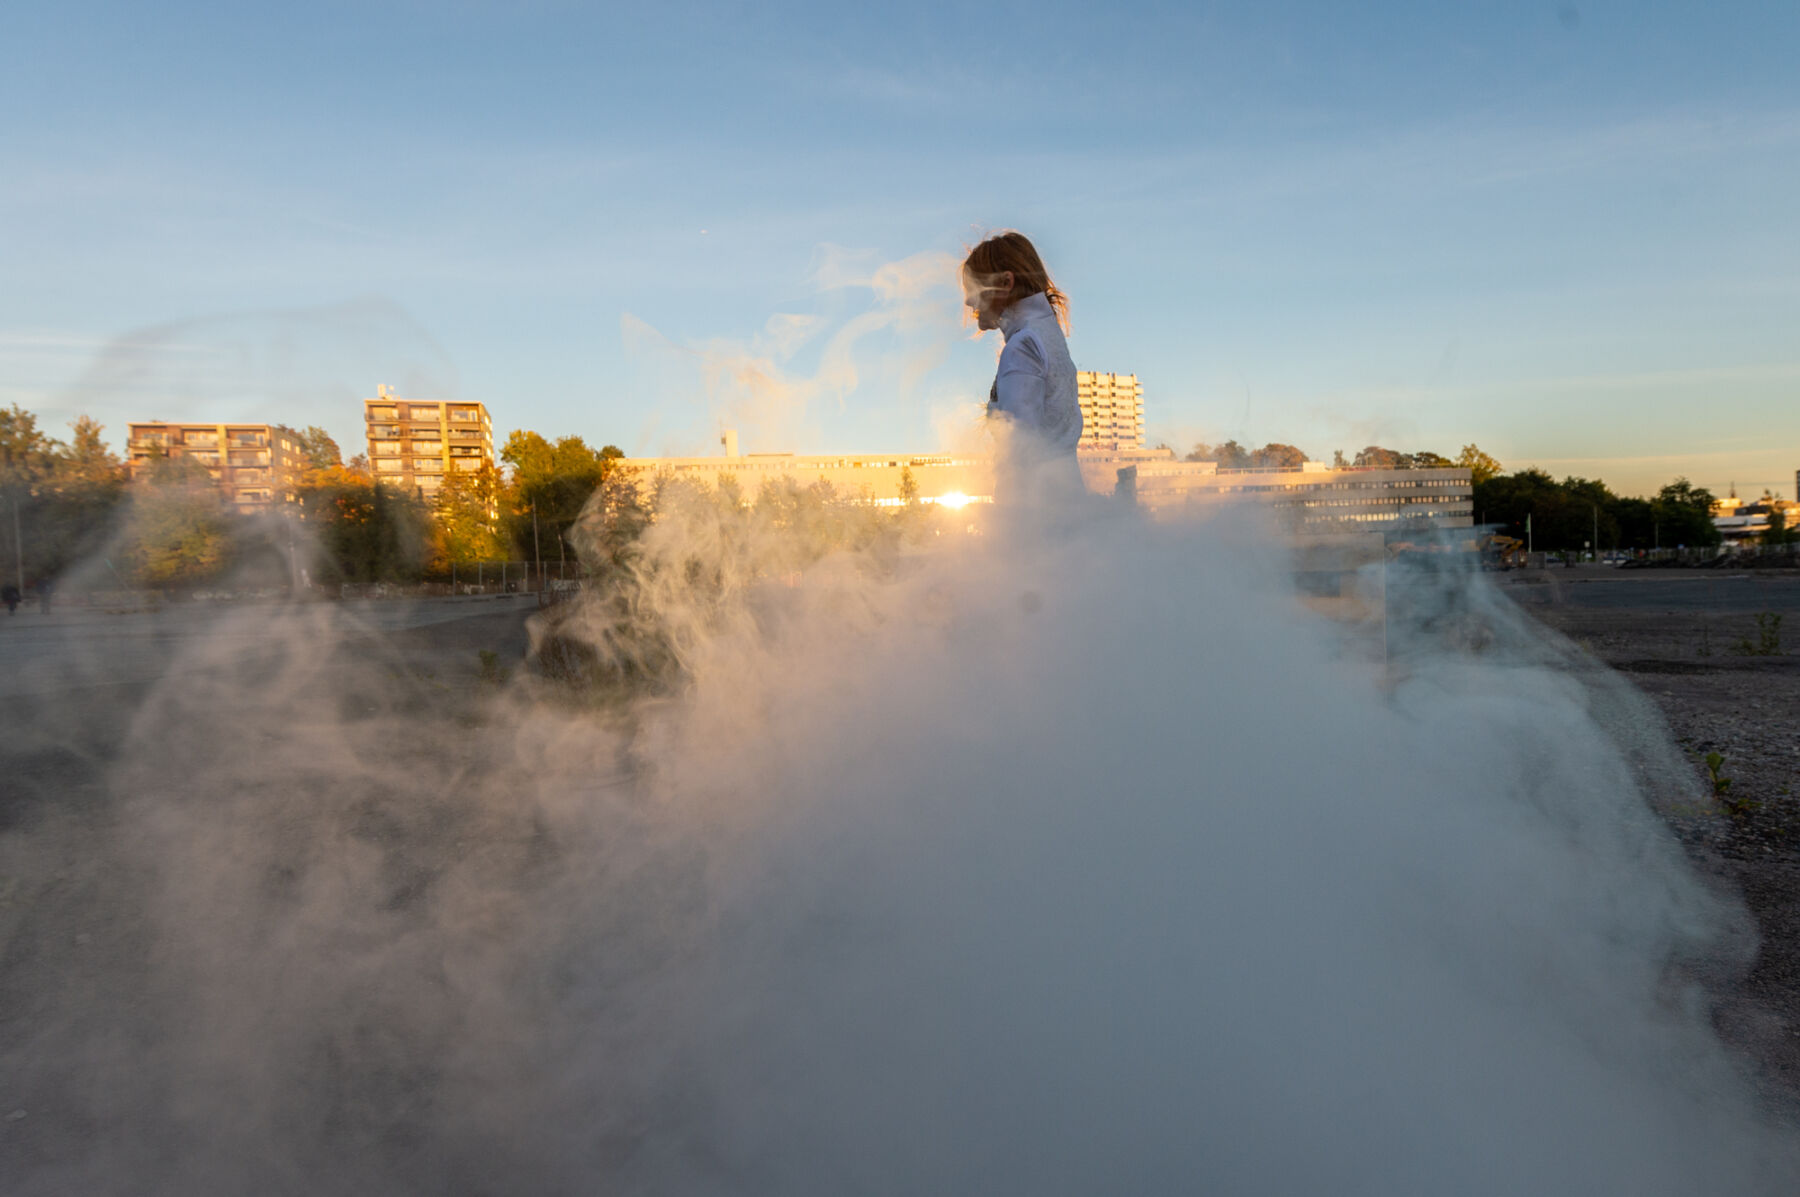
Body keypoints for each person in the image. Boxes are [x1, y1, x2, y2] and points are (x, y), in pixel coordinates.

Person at [961, 232, 1084, 510]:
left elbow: (1020, 455)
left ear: (1006, 283)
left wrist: (1008, 529)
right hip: (1068, 509)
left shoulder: (1022, 346)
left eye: (972, 288)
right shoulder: (1048, 335)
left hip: (1039, 519)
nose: (969, 302)